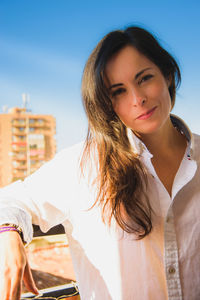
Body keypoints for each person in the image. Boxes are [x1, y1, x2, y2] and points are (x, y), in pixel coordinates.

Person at [0, 25, 199, 300]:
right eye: (118, 91)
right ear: (106, 103)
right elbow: (10, 200)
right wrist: (8, 234)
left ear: (167, 75)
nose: (137, 99)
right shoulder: (81, 166)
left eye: (144, 78)